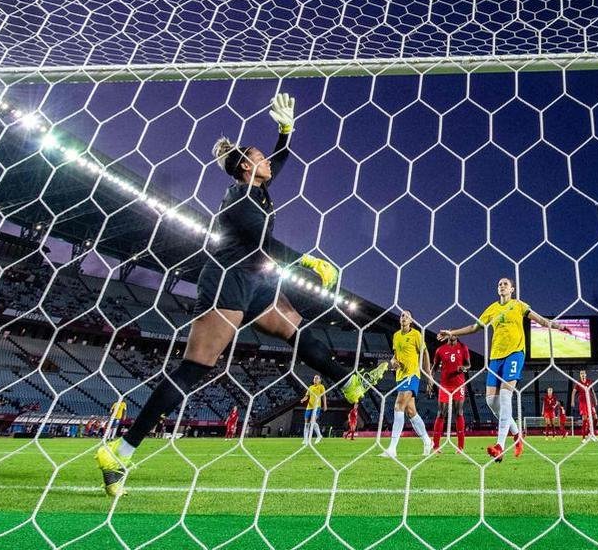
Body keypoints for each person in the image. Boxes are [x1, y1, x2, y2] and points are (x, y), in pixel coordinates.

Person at [95, 93, 387, 495]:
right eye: (260, 156)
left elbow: (280, 161)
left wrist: (286, 130)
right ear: (247, 167)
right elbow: (263, 246)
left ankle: (347, 381)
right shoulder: (242, 200)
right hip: (226, 282)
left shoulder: (259, 188)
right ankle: (121, 451)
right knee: (196, 367)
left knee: (292, 326)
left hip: (252, 283)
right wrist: (309, 263)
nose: (268, 160)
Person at [437, 277, 563, 462]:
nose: (502, 286)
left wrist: (557, 325)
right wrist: (452, 332)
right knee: (491, 402)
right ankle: (518, 435)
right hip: (495, 357)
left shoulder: (518, 305)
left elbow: (539, 319)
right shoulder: (492, 309)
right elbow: (474, 327)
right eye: (499, 284)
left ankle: (500, 446)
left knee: (505, 397)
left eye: (505, 284)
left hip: (515, 354)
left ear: (512, 289)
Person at [381, 310, 434, 459]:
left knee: (398, 406)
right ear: (400, 320)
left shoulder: (416, 334)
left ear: (411, 320)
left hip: (412, 374)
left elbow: (425, 353)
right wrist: (393, 362)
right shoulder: (396, 336)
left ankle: (392, 449)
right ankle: (427, 441)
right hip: (400, 376)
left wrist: (428, 374)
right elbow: (395, 356)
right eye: (402, 315)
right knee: (411, 412)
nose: (404, 317)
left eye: (407, 316)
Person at [431, 334, 469, 452]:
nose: (453, 335)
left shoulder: (463, 348)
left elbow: (468, 364)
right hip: (445, 386)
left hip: (459, 385)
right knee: (441, 413)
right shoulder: (440, 350)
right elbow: (435, 367)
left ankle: (460, 447)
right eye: (450, 333)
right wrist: (430, 381)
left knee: (459, 412)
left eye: (455, 333)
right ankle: (436, 446)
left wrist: (463, 368)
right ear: (447, 335)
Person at [571, 369, 596, 442]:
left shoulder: (589, 381)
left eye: (583, 373)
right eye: (581, 373)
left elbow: (593, 391)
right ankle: (584, 438)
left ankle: (590, 433)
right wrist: (572, 401)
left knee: (595, 418)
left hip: (590, 402)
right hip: (583, 403)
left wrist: (595, 399)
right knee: (585, 419)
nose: (582, 374)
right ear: (580, 375)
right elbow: (573, 392)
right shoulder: (578, 383)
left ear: (585, 374)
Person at [303, 375, 326, 445]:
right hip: (309, 407)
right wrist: (303, 399)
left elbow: (324, 396)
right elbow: (307, 396)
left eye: (317, 378)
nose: (315, 379)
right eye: (314, 378)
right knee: (306, 423)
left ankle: (319, 436)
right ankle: (305, 439)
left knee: (312, 421)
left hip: (317, 406)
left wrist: (325, 405)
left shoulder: (321, 387)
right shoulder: (310, 387)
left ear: (320, 380)